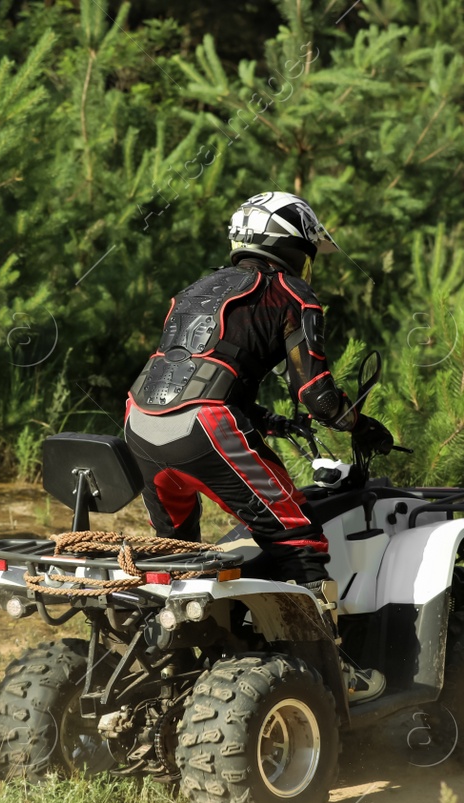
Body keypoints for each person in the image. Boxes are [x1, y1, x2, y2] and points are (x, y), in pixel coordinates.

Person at [123, 191, 393, 701]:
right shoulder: (292, 292)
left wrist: (261, 418)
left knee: (181, 556)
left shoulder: (193, 290)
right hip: (205, 426)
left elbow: (195, 364)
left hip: (141, 421)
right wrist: (358, 423)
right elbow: (316, 395)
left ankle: (171, 679)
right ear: (293, 244)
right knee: (298, 539)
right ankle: (331, 674)